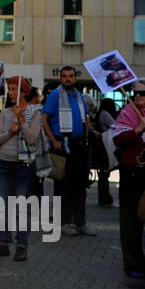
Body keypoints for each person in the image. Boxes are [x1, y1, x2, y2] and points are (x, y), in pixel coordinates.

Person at [0, 75, 43, 262]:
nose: (10, 92)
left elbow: (33, 138)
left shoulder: (35, 111)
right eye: (9, 89)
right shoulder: (5, 113)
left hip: (24, 165)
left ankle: (21, 246)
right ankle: (3, 242)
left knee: (22, 207)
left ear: (24, 92)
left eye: (14, 89)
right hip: (5, 163)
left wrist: (22, 120)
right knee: (3, 206)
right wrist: (11, 131)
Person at [42, 65, 91, 236]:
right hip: (62, 144)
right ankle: (62, 223)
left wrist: (87, 135)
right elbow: (44, 119)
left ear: (75, 78)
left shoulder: (79, 95)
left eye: (70, 76)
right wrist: (54, 140)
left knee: (80, 185)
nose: (67, 79)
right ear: (61, 78)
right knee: (63, 186)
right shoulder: (56, 95)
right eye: (64, 76)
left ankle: (80, 223)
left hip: (79, 145)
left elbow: (85, 117)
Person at [111, 83, 145, 282]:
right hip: (132, 172)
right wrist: (137, 130)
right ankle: (133, 264)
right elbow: (118, 140)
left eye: (143, 93)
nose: (138, 96)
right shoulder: (128, 112)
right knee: (131, 220)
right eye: (136, 93)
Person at [93, 97, 118, 207]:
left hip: (101, 147)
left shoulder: (100, 114)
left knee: (103, 174)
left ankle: (104, 198)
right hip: (105, 147)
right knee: (104, 174)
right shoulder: (105, 114)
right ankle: (105, 199)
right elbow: (115, 125)